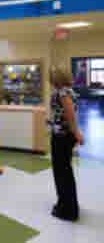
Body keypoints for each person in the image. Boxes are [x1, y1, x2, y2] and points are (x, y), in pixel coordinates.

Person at [49, 68, 84, 222]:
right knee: (65, 172)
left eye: (52, 77)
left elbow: (70, 114)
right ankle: (67, 204)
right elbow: (64, 114)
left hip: (62, 137)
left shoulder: (63, 92)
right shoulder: (69, 91)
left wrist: (77, 132)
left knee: (62, 173)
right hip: (63, 135)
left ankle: (68, 210)